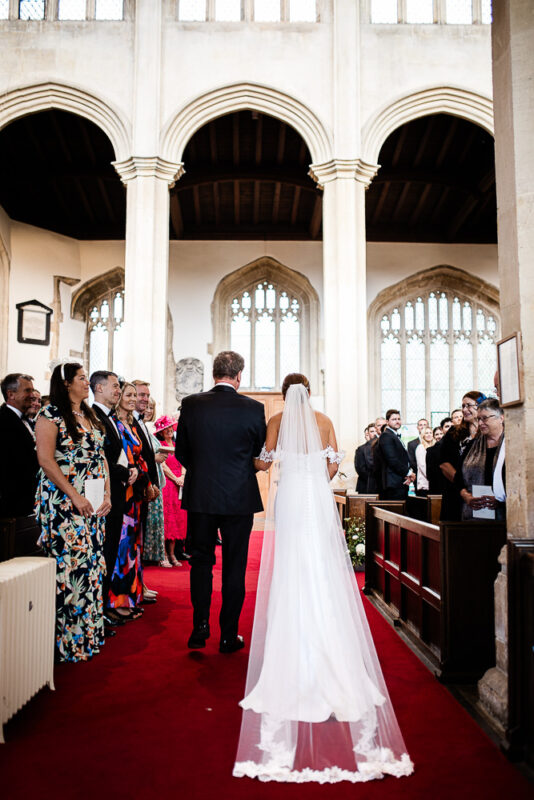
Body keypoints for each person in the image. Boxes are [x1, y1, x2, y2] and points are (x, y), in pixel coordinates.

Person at [233, 375, 413, 783]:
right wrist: (317, 476)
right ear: (309, 393)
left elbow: (263, 462)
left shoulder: (277, 421)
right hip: (314, 494)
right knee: (321, 563)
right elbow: (334, 464)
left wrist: (265, 459)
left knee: (292, 562)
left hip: (292, 496)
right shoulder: (325, 419)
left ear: (283, 395)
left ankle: (293, 635)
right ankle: (328, 635)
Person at [175, 350, 266, 653]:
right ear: (239, 375)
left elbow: (181, 452)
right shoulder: (254, 408)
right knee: (235, 566)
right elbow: (257, 452)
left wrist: (202, 472)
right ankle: (229, 634)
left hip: (201, 496)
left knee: (200, 563)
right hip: (239, 497)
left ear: (214, 374)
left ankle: (200, 626)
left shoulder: (191, 404)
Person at [35, 362, 111, 661]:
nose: (86, 383)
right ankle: (69, 641)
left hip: (92, 500)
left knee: (91, 567)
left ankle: (89, 634)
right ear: (66, 383)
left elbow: (100, 455)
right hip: (64, 502)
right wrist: (74, 495)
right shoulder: (50, 414)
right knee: (71, 569)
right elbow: (45, 460)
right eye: (81, 378)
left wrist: (106, 493)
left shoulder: (89, 414)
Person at [91, 369, 133, 630]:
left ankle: (103, 609)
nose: (118, 391)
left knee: (108, 553)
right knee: (104, 553)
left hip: (117, 491)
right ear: (99, 389)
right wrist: (126, 471)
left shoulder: (109, 417)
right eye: (115, 386)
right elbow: (102, 457)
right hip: (104, 494)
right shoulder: (94, 416)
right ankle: (98, 612)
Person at [107, 382, 152, 619]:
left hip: (135, 491)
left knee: (133, 545)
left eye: (136, 395)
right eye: (129, 394)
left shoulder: (131, 424)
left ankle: (131, 596)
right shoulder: (114, 424)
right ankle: (117, 602)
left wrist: (146, 482)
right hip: (122, 491)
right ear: (119, 397)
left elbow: (141, 456)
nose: (134, 399)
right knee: (122, 546)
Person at [456, 398, 505, 520]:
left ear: (501, 418)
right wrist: (466, 496)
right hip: (474, 513)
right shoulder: (473, 445)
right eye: (478, 419)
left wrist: (501, 499)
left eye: (485, 418)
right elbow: (458, 478)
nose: (480, 423)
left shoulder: (511, 445)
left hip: (506, 514)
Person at [0, 373, 39, 520]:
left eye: (33, 390)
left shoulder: (28, 421)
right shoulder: (3, 421)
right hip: (13, 504)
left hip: (29, 501)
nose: (32, 394)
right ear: (11, 394)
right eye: (27, 390)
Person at [439, 391, 483, 520]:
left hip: (480, 493)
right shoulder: (454, 433)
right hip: (455, 494)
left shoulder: (486, 432)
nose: (465, 410)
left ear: (480, 406)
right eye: (463, 406)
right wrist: (463, 489)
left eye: (469, 405)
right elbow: (444, 464)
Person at [156, 414, 187, 567]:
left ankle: (173, 554)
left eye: (170, 427)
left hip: (179, 484)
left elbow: (184, 461)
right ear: (161, 431)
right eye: (165, 428)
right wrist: (175, 479)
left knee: (176, 519)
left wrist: (182, 476)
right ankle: (164, 555)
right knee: (166, 520)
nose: (168, 430)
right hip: (167, 483)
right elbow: (163, 465)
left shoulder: (177, 444)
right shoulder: (160, 444)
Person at [142, 397, 167, 568]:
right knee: (149, 519)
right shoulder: (135, 428)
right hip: (147, 479)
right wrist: (154, 457)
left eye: (152, 407)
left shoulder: (148, 429)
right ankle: (147, 554)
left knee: (156, 519)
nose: (149, 411)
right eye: (147, 407)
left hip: (157, 479)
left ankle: (155, 553)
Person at [375, 409, 414, 500]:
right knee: (396, 512)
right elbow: (392, 460)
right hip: (393, 483)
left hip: (400, 481)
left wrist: (408, 474)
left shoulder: (394, 435)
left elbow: (403, 458)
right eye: (394, 419)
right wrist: (409, 473)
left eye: (399, 419)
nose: (397, 421)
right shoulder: (386, 436)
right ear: (387, 422)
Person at [354, 423, 377, 493]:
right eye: (372, 431)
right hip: (365, 485)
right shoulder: (361, 449)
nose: (375, 433)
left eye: (376, 431)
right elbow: (360, 469)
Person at [415, 425, 434, 496]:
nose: (429, 435)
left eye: (430, 433)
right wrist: (433, 478)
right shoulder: (420, 447)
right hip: (425, 484)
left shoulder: (434, 447)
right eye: (426, 433)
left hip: (432, 484)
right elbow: (422, 466)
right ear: (423, 435)